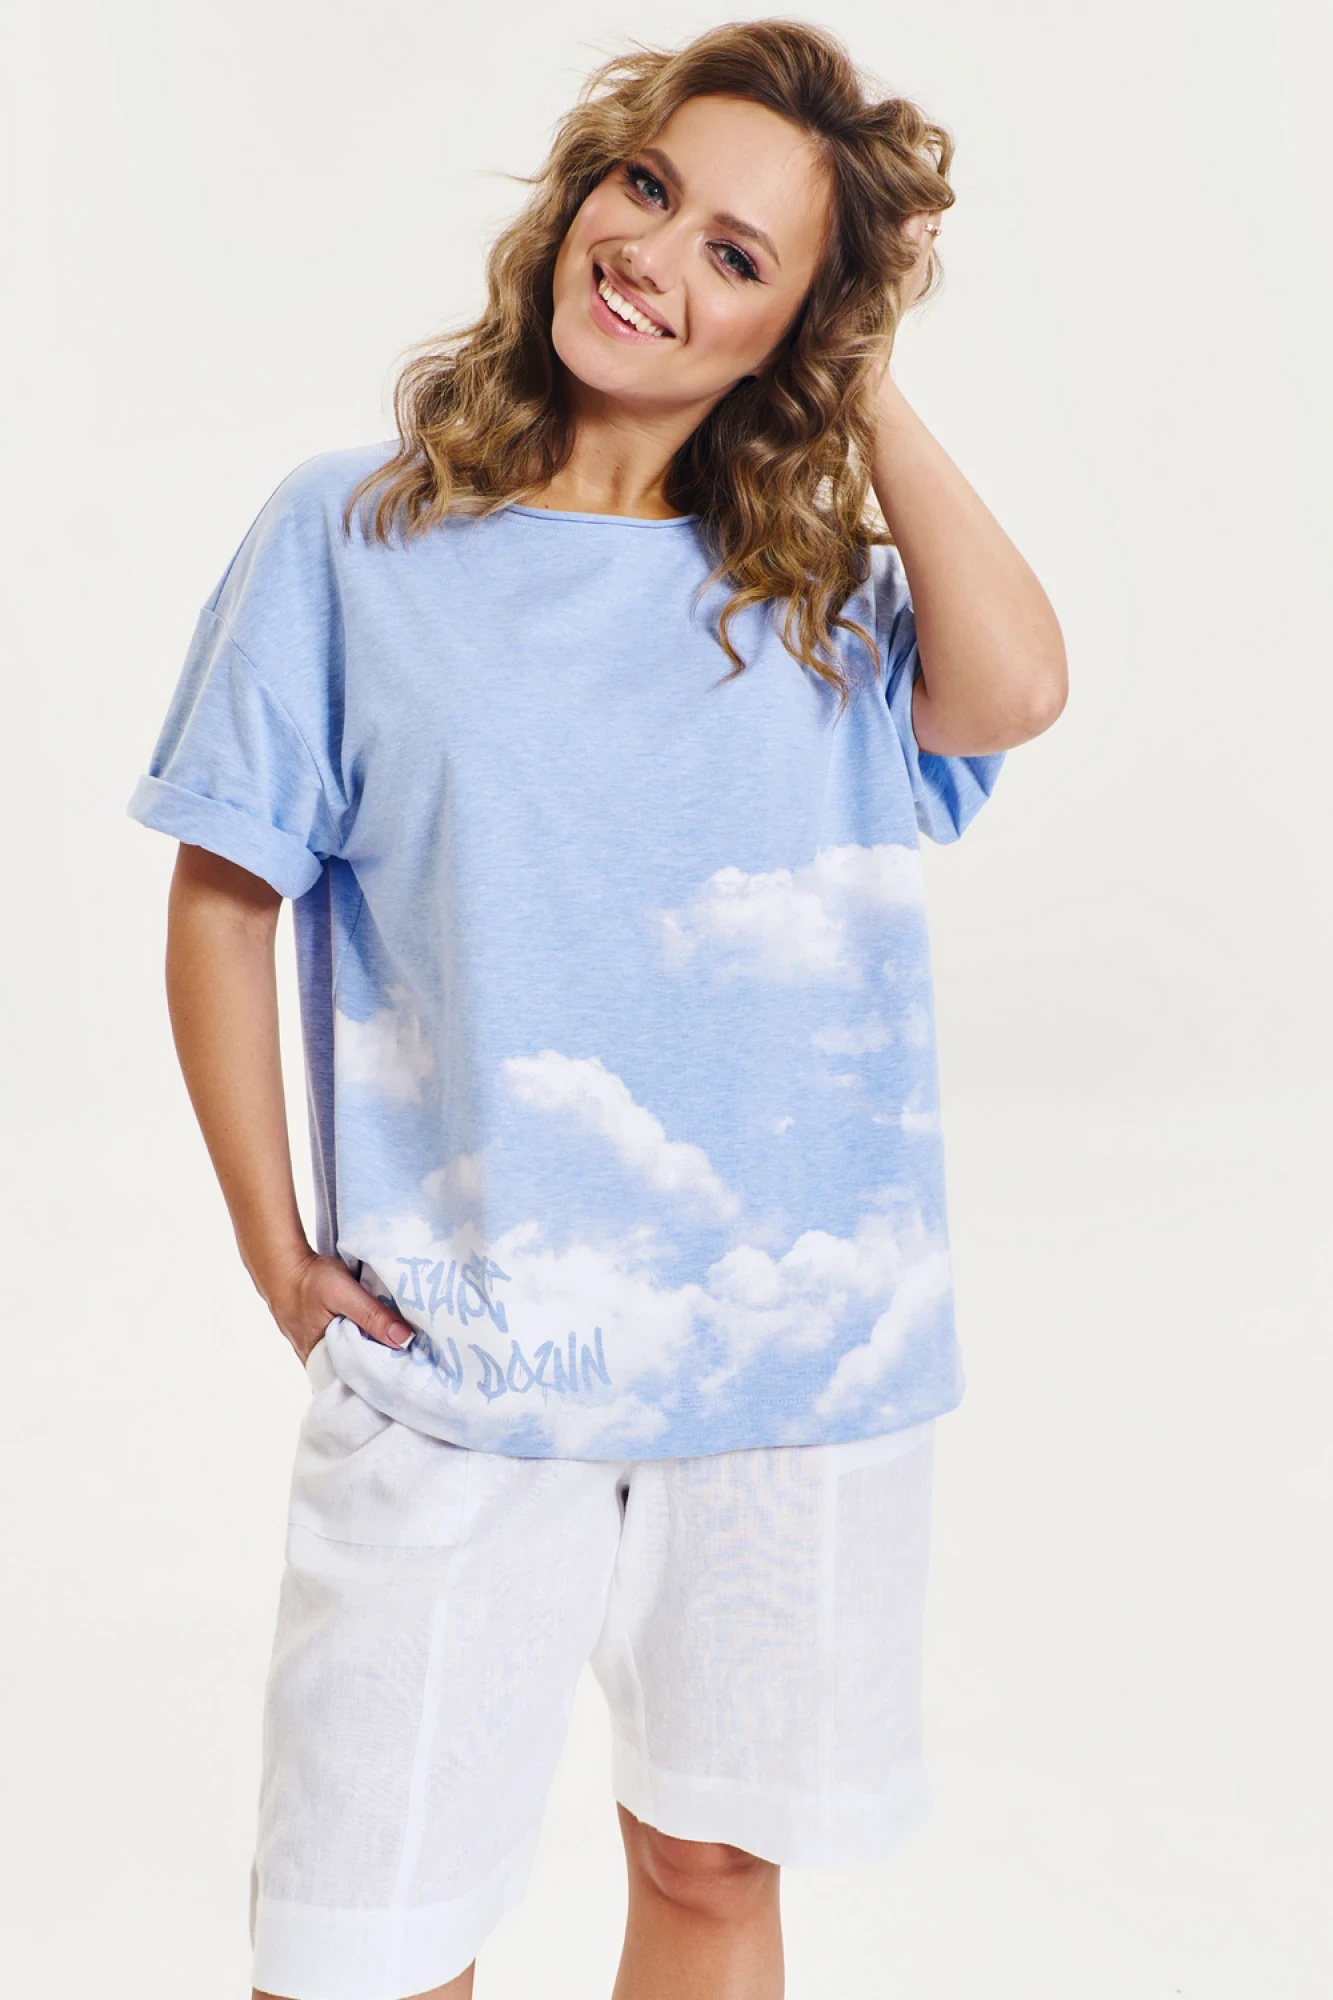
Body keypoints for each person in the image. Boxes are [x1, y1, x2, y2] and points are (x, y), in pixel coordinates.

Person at [126, 19, 1066, 2000]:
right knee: (364, 1940)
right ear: (580, 189)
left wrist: (870, 382)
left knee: (713, 1873)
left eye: (741, 255)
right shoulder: (352, 538)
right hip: (462, 1366)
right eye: (647, 188)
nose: (654, 257)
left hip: (791, 1373)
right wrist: (276, 1253)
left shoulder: (817, 599)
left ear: (794, 333)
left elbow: (1018, 690)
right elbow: (223, 900)